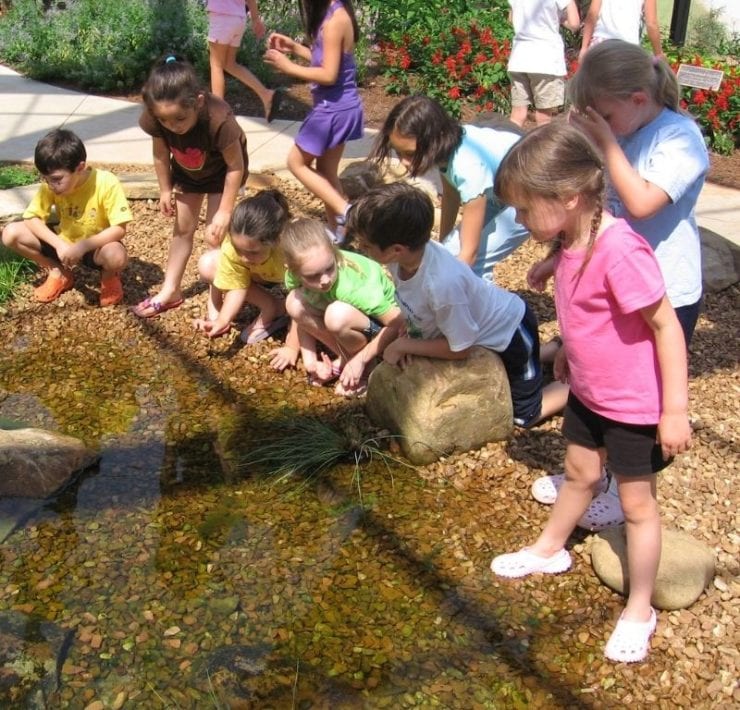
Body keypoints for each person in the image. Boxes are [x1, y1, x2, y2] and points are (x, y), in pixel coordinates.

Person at [490, 122, 691, 664]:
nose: (518, 219)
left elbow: (666, 327)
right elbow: (577, 266)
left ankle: (641, 606)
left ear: (569, 197)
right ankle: (550, 548)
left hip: (632, 406)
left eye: (525, 209)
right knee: (579, 474)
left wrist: (674, 411)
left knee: (637, 505)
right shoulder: (574, 233)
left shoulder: (620, 249)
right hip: (588, 392)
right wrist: (554, 259)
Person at [530, 40, 708, 510]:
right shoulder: (623, 127)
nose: (603, 127)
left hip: (664, 288)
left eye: (606, 116)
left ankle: (631, 484)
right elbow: (594, 207)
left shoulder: (680, 137)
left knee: (644, 397)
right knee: (608, 383)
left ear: (637, 99)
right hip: (609, 278)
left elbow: (642, 201)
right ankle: (595, 472)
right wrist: (558, 255)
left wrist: (606, 143)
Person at [347, 181, 568, 426]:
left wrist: (404, 345)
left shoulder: (441, 285)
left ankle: (578, 384)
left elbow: (460, 348)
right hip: (477, 322)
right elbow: (416, 302)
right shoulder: (400, 259)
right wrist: (410, 330)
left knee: (523, 415)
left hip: (511, 331)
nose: (361, 249)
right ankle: (549, 351)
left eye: (366, 246)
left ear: (397, 249)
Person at [134, 54, 248, 318]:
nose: (172, 127)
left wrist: (225, 211)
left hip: (223, 175)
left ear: (197, 102)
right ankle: (171, 289)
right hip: (188, 174)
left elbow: (235, 167)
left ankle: (216, 297)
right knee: (182, 229)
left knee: (214, 234)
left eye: (179, 120)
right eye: (165, 121)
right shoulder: (159, 117)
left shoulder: (220, 120)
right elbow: (161, 155)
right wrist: (164, 188)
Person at [370, 95, 529, 281]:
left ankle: (484, 308)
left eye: (410, 154)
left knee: (475, 266)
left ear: (434, 141)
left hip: (530, 196)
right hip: (499, 189)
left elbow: (469, 254)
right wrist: (444, 246)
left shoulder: (467, 167)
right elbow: (451, 196)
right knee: (450, 253)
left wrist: (445, 286)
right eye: (398, 152)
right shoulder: (447, 146)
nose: (404, 162)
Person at [264, 0, 363, 238]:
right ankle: (339, 230)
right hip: (341, 107)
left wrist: (288, 67)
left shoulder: (334, 20)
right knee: (327, 170)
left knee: (296, 163)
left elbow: (328, 74)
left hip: (332, 110)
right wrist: (296, 49)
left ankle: (346, 212)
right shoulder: (334, 12)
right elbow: (328, 61)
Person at [1, 129, 130, 307]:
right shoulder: (50, 186)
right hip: (64, 242)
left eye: (56, 179)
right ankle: (58, 272)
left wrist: (83, 246)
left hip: (96, 247)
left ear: (80, 168)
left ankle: (109, 278)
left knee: (116, 255)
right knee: (11, 233)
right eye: (46, 179)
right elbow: (31, 217)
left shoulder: (106, 182)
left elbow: (119, 228)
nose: (51, 185)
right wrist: (59, 244)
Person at [280, 218, 400, 397]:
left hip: (381, 326)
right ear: (292, 270)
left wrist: (360, 360)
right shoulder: (295, 275)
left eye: (329, 268)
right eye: (313, 276)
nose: (325, 280)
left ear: (334, 251)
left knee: (336, 316)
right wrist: (311, 362)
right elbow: (299, 318)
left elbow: (397, 323)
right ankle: (345, 358)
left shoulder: (351, 286)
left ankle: (366, 367)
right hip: (350, 314)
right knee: (294, 302)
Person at [194, 189, 295, 353]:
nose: (244, 257)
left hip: (286, 280)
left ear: (276, 240)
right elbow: (237, 286)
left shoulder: (289, 251)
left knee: (295, 304)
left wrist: (293, 345)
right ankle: (272, 306)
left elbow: (305, 296)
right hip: (261, 276)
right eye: (238, 249)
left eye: (253, 252)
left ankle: (281, 309)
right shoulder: (234, 248)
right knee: (209, 264)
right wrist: (222, 320)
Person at [507, 0, 580, 126]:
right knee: (544, 116)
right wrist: (558, 19)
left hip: (519, 58)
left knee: (518, 113)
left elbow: (510, 18)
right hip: (545, 59)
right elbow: (574, 24)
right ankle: (541, 146)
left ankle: (510, 143)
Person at [206, 0, 282, 121]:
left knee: (216, 65)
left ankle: (218, 116)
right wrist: (256, 19)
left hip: (222, 18)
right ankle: (266, 95)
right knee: (229, 64)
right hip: (239, 19)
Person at [579, 0, 662, 60]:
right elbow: (651, 24)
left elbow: (592, 14)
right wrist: (659, 54)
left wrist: (584, 47)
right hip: (627, 47)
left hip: (600, 43)